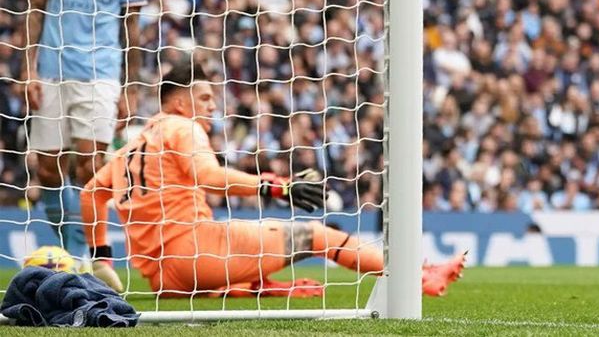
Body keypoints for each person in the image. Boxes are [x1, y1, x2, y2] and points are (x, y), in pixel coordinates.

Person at [81, 59, 383, 297]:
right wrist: (277, 186)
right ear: (180, 104)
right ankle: (400, 274)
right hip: (196, 252)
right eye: (205, 98)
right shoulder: (183, 127)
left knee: (242, 265)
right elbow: (209, 176)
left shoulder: (130, 148)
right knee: (317, 236)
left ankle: (253, 287)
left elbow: (91, 193)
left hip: (164, 280)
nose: (213, 106)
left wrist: (102, 258)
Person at [17, 0, 147, 259]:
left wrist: (131, 87)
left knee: (90, 165)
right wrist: (28, 70)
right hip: (52, 69)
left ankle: (83, 255)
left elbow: (132, 29)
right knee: (48, 169)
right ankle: (65, 247)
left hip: (101, 73)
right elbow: (34, 11)